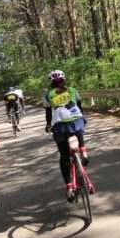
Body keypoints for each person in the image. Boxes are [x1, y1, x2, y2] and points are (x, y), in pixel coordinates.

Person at [43, 69, 89, 203]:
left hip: (60, 126)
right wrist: (80, 116)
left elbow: (48, 114)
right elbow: (80, 107)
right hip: (76, 120)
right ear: (64, 80)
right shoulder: (73, 90)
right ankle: (83, 152)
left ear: (50, 83)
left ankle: (69, 188)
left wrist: (48, 125)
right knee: (79, 123)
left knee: (64, 156)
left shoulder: (48, 95)